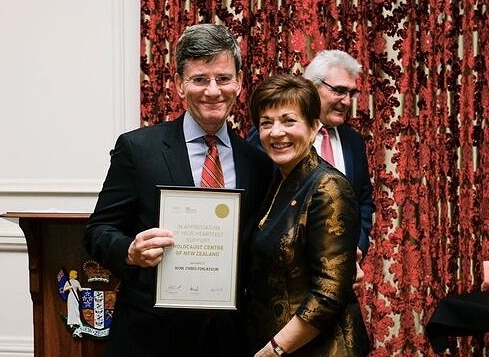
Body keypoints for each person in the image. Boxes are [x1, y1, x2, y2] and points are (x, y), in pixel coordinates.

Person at [84, 24, 272, 357]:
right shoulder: (138, 149)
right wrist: (130, 251)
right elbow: (97, 231)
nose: (213, 91)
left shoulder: (258, 163)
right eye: (200, 79)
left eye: (223, 78)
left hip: (230, 338)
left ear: (239, 82)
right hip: (152, 338)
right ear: (179, 84)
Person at [246, 74, 370, 356]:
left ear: (314, 126)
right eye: (267, 123)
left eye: (289, 121)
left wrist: (275, 349)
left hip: (322, 349)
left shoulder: (328, 188)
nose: (276, 132)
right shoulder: (278, 181)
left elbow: (328, 294)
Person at [303, 49, 375, 262]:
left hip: (341, 269)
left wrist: (358, 246)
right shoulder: (283, 135)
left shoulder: (353, 142)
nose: (346, 101)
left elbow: (363, 201)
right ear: (312, 87)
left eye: (351, 93)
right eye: (339, 90)